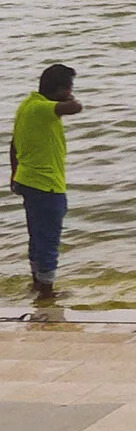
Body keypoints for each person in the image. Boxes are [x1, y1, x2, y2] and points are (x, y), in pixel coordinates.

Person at [10, 63, 79, 304]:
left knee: (37, 236)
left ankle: (37, 284)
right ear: (60, 89)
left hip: (28, 180)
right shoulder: (42, 109)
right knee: (49, 239)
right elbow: (75, 107)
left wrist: (14, 173)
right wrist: (68, 97)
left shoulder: (26, 105)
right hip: (46, 184)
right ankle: (47, 293)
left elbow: (13, 144)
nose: (72, 91)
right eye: (69, 87)